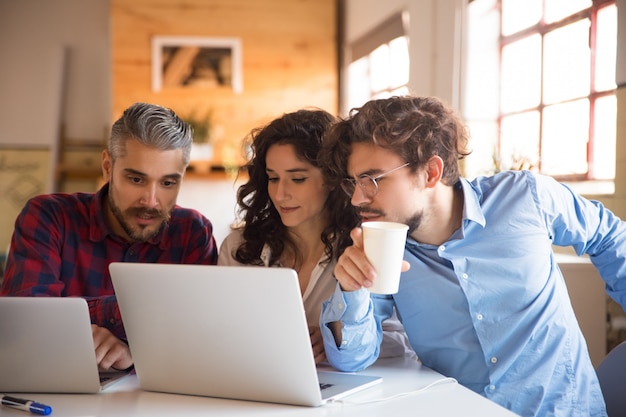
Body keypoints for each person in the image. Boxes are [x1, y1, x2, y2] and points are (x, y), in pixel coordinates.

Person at [318, 95, 626, 417]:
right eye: (354, 182)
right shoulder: (381, 248)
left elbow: (611, 238)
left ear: (431, 173)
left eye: (372, 180)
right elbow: (352, 359)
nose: (356, 198)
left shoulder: (525, 197)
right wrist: (352, 290)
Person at [1, 102, 218, 371]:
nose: (151, 201)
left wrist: (132, 352)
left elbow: (200, 340)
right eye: (136, 180)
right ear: (107, 167)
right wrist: (139, 314)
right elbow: (25, 322)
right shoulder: (48, 217)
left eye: (168, 183)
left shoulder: (193, 233)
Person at [218, 108, 414, 364]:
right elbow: (219, 332)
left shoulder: (366, 248)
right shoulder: (239, 247)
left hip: (343, 393)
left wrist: (333, 337)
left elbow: (401, 343)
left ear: (332, 179)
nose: (280, 194)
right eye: (273, 178)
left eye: (297, 179)